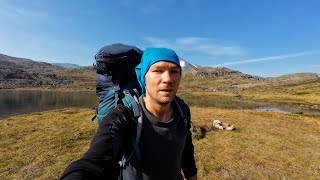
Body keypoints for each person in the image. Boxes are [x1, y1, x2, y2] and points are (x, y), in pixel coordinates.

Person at [60, 48, 197, 180]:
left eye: (174, 71)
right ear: (143, 77)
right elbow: (93, 162)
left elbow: (186, 151)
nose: (168, 79)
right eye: (158, 71)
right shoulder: (123, 116)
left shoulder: (182, 110)